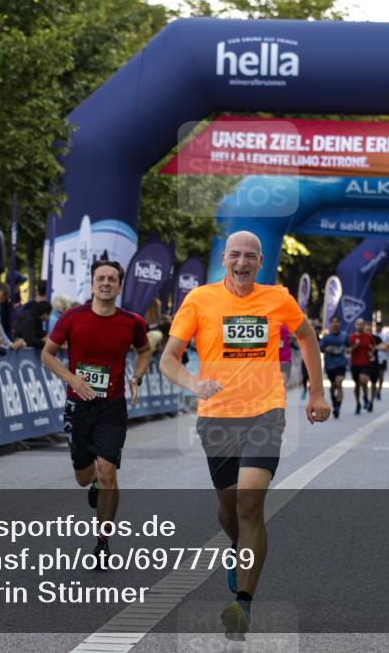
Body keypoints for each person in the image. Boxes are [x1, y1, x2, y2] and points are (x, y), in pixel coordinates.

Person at [159, 231, 330, 641]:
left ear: (260, 261)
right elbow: (169, 358)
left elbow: (306, 336)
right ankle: (239, 550)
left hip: (265, 413)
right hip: (216, 416)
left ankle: (244, 604)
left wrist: (317, 391)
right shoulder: (199, 300)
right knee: (229, 511)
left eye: (249, 256)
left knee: (250, 503)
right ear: (224, 259)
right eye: (234, 255)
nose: (242, 262)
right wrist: (193, 383)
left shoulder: (278, 299)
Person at [41, 261, 151, 566]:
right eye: (100, 278)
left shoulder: (132, 322)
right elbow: (46, 354)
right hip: (78, 407)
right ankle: (92, 484)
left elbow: (144, 351)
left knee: (107, 473)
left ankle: (103, 542)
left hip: (112, 407)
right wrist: (72, 378)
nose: (106, 283)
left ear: (118, 285)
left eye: (111, 279)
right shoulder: (72, 317)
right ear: (92, 284)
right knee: (84, 476)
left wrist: (136, 377)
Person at [320, 316, 349, 419]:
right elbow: (320, 347)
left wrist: (348, 350)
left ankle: (338, 408)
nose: (335, 324)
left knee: (339, 383)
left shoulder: (344, 336)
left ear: (340, 324)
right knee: (333, 386)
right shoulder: (326, 337)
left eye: (337, 322)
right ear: (330, 324)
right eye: (333, 322)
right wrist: (327, 349)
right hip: (330, 365)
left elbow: (349, 347)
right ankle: (333, 401)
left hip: (341, 363)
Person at [348, 318, 373, 414]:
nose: (360, 326)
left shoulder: (368, 337)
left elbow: (373, 347)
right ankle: (358, 403)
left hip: (365, 363)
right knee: (357, 385)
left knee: (364, 381)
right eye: (358, 324)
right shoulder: (351, 337)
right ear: (355, 325)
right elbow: (348, 350)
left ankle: (365, 398)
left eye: (362, 324)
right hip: (355, 364)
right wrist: (355, 345)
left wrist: (371, 353)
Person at [374, 321, 389, 400]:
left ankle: (379, 390)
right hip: (374, 358)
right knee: (374, 376)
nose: (378, 328)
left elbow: (387, 347)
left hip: (382, 358)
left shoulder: (385, 336)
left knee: (381, 376)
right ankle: (375, 390)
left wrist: (378, 347)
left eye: (379, 326)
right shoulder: (373, 335)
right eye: (377, 326)